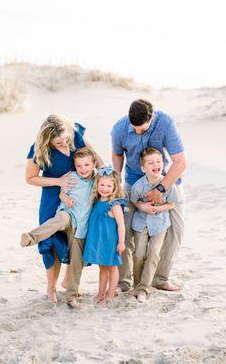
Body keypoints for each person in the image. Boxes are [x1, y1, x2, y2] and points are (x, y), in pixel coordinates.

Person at [111, 99, 186, 292]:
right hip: (133, 182)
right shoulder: (119, 128)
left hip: (166, 181)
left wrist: (160, 189)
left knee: (176, 231)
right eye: (133, 127)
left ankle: (160, 278)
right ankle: (124, 281)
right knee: (124, 231)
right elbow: (117, 154)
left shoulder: (165, 123)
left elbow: (180, 162)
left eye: (141, 128)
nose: (137, 131)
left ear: (151, 118)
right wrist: (117, 179)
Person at [25, 115, 103, 303]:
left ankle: (69, 281)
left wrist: (106, 179)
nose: (64, 143)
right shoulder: (39, 149)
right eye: (58, 142)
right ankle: (51, 288)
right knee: (51, 242)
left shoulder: (75, 133)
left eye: (66, 139)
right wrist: (57, 181)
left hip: (82, 196)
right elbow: (30, 178)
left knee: (76, 238)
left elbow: (97, 160)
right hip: (53, 198)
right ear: (48, 140)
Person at [130, 148, 178, 303]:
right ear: (143, 168)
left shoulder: (169, 184)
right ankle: (137, 285)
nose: (156, 165)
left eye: (159, 161)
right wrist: (142, 206)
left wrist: (157, 208)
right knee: (138, 254)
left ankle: (144, 289)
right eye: (151, 163)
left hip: (160, 224)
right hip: (141, 223)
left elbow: (171, 204)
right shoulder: (138, 186)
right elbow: (134, 201)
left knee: (154, 253)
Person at [83, 167, 126, 305]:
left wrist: (121, 243)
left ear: (115, 187)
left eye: (109, 185)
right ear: (97, 185)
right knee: (102, 268)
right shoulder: (96, 201)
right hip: (99, 241)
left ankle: (110, 295)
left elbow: (121, 225)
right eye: (102, 184)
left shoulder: (114, 204)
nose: (105, 188)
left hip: (111, 242)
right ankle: (101, 293)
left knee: (112, 267)